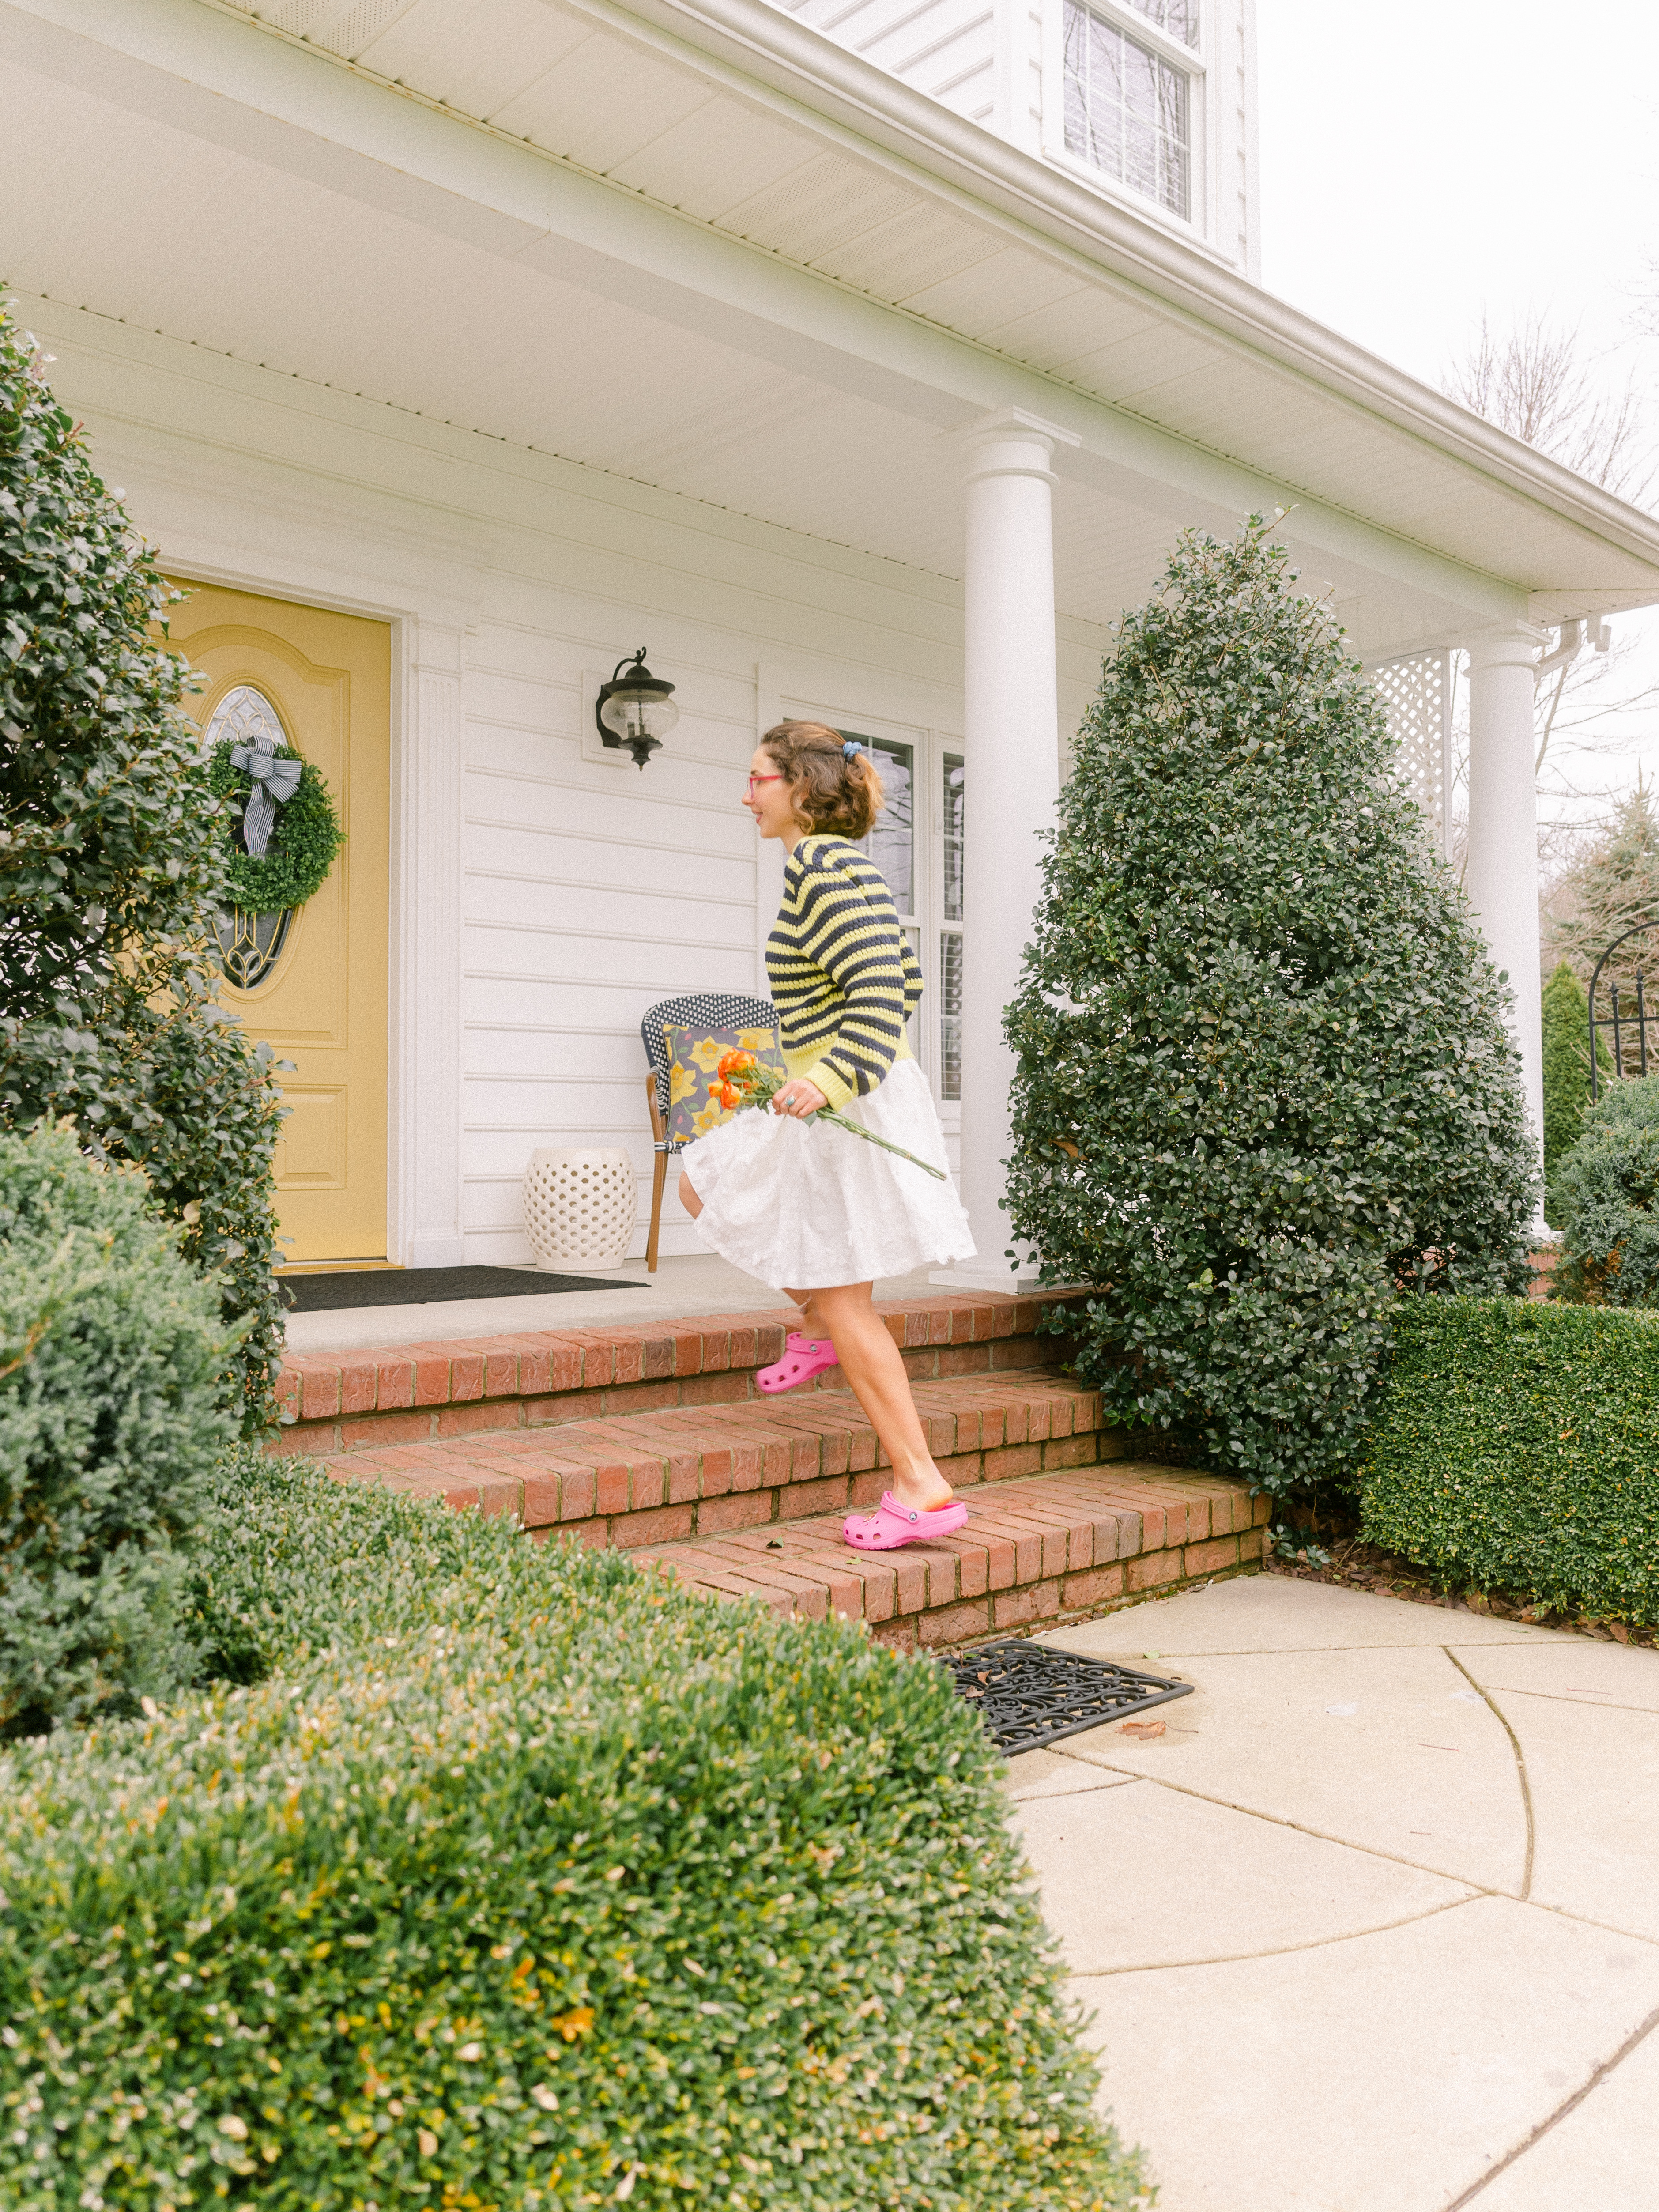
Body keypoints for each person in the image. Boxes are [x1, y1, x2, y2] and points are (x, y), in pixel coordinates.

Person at [677, 720, 976, 1551]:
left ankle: (919, 1484)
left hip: (846, 1098)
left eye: (757, 779)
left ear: (798, 790)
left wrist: (831, 1075)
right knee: (703, 1182)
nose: (746, 795)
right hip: (832, 1094)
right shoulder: (841, 868)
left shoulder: (820, 867)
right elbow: (908, 973)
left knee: (847, 1295)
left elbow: (882, 988)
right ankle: (812, 1324)